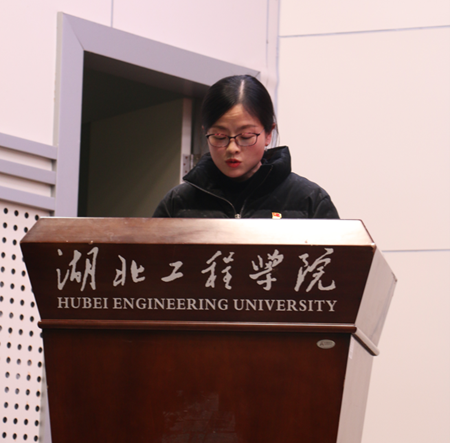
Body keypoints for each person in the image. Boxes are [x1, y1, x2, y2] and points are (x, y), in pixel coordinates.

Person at [153, 75, 339, 219]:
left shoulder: (309, 200)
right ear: (206, 133)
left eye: (246, 136)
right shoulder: (178, 202)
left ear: (268, 133)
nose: (232, 148)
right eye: (219, 137)